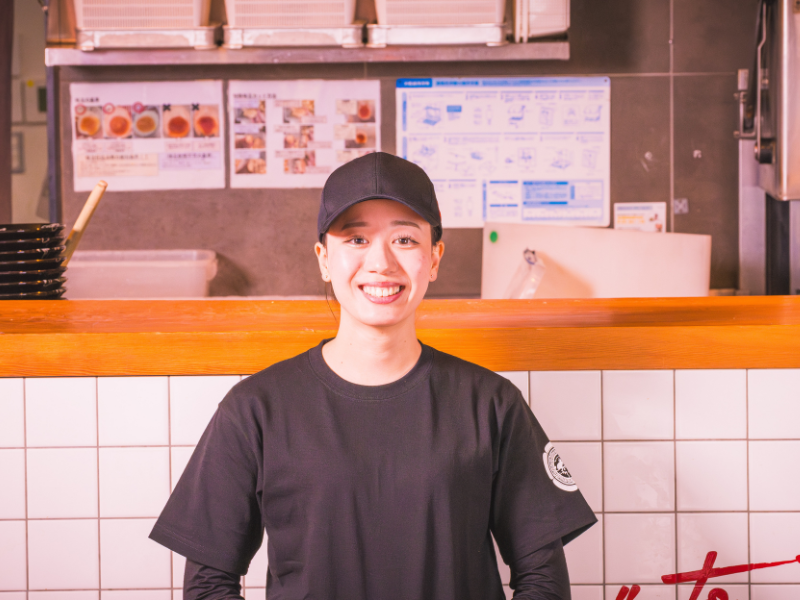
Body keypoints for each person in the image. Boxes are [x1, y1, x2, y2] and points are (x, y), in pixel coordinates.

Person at [150, 152, 596, 600]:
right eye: (356, 238)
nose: (381, 262)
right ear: (324, 259)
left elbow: (544, 580)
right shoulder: (254, 409)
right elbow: (208, 585)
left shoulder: (492, 404)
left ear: (434, 258)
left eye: (404, 239)